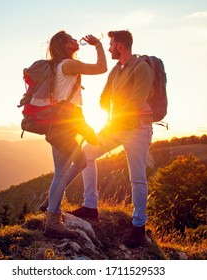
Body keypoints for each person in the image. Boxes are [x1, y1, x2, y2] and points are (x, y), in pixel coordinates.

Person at [68, 30, 154, 248]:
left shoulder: (142, 68)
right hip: (115, 127)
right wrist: (110, 113)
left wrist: (117, 116)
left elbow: (136, 102)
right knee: (86, 155)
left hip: (138, 130)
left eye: (112, 44)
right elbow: (104, 97)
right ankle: (90, 205)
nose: (109, 48)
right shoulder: (116, 70)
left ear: (122, 45)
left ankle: (138, 225)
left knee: (137, 177)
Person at [43, 31, 107, 238]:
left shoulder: (58, 66)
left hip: (59, 123)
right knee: (62, 172)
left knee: (77, 163)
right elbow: (101, 68)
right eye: (70, 39)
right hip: (62, 125)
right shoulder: (67, 65)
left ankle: (50, 205)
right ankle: (52, 221)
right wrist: (97, 45)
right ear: (63, 45)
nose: (74, 40)